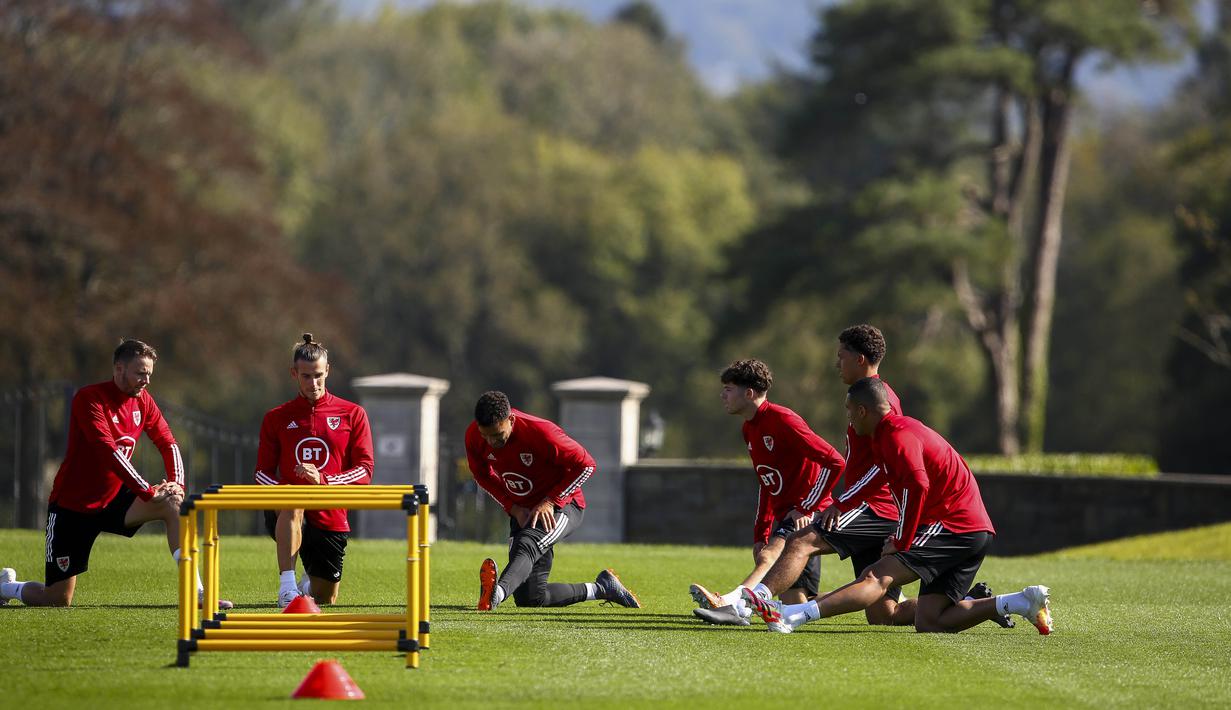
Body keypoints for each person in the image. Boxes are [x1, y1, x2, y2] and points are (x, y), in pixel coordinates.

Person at [742, 377, 1053, 635]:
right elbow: (881, 478)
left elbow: (918, 485)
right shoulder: (889, 433)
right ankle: (1019, 602)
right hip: (972, 530)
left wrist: (903, 540)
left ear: (863, 411)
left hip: (954, 526)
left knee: (876, 577)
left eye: (850, 411)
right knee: (929, 621)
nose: (848, 418)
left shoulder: (897, 438)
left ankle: (793, 616)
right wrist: (844, 503)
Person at [0, 339, 229, 608]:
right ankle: (6, 587)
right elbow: (108, 452)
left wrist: (176, 484)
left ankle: (196, 592)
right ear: (119, 369)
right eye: (140, 373)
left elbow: (168, 441)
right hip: (73, 507)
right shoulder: (89, 399)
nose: (146, 381)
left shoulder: (143, 401)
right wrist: (148, 490)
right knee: (57, 599)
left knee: (173, 504)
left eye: (149, 374)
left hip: (114, 500)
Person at [688, 358, 846, 625]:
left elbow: (834, 461)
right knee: (795, 603)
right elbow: (766, 482)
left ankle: (732, 602)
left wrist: (806, 507)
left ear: (748, 393)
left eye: (728, 388)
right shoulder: (749, 428)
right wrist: (760, 532)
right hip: (790, 514)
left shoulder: (783, 420)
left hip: (807, 512)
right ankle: (866, 594)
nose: (722, 395)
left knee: (770, 555)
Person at [466, 391, 640, 610]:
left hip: (564, 506)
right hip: (523, 509)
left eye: (498, 436)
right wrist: (512, 507)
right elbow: (481, 476)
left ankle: (495, 596)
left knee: (527, 545)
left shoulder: (542, 433)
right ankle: (602, 588)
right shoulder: (473, 435)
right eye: (486, 436)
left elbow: (587, 465)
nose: (491, 442)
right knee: (530, 598)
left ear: (511, 419)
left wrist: (551, 501)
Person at [255, 334, 374, 607]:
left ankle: (307, 583)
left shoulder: (352, 414)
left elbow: (365, 470)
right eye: (306, 376)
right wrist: (284, 488)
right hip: (287, 510)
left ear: (328, 371)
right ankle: (286, 587)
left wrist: (324, 479)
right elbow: (262, 473)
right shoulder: (276, 418)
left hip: (331, 512)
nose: (314, 383)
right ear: (294, 374)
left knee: (326, 597)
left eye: (318, 375)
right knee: (293, 500)